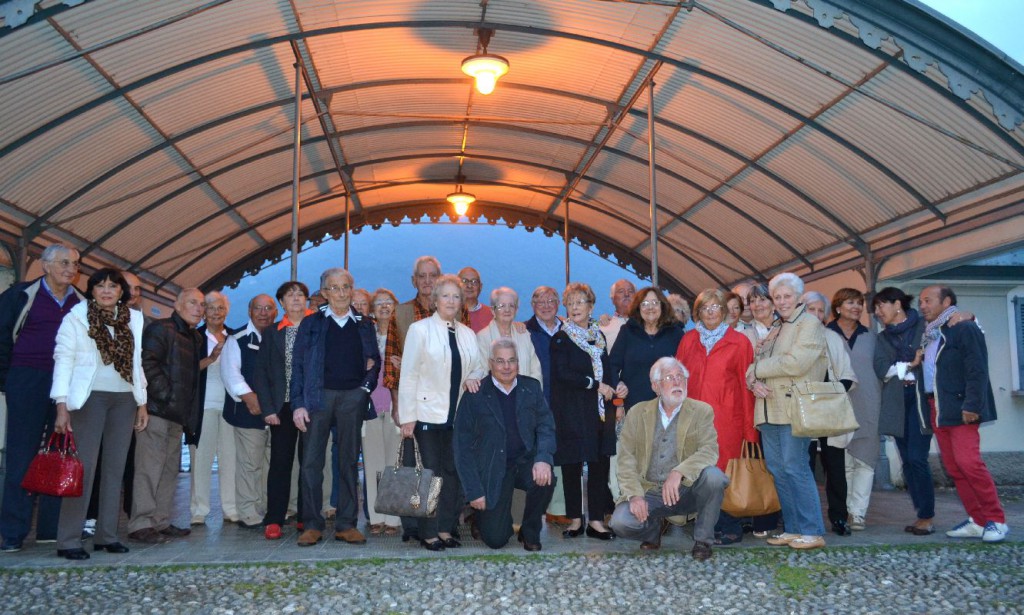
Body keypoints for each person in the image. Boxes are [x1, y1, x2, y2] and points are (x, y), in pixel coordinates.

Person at [50, 268, 148, 560]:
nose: (107, 291)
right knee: (84, 468)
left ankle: (107, 535)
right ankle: (68, 539)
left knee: (116, 468)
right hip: (89, 398)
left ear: (121, 292)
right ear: (91, 290)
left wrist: (142, 402)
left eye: (113, 286)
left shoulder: (134, 318)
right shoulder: (76, 317)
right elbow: (63, 359)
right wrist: (61, 404)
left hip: (124, 399)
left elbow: (137, 361)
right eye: (100, 286)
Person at [0, 244, 84, 552]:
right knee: (21, 455)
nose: (71, 269)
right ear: (45, 266)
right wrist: (9, 380)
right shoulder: (21, 296)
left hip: (66, 385)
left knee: (60, 453)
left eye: (75, 264)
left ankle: (51, 529)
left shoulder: (81, 303)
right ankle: (12, 533)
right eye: (64, 262)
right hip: (28, 379)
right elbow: (2, 336)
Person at [291, 269, 380, 547]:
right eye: (334, 288)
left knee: (349, 462)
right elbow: (298, 366)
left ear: (352, 290)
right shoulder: (311, 324)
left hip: (352, 399)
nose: (341, 293)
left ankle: (346, 524)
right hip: (318, 398)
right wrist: (298, 405)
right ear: (324, 293)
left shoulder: (365, 324)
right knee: (311, 463)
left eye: (345, 287)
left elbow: (374, 361)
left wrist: (364, 390)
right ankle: (312, 525)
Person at [398, 274, 485, 551]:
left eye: (456, 296)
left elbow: (480, 367)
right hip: (426, 415)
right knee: (429, 474)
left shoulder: (468, 334)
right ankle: (428, 532)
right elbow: (408, 375)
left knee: (452, 474)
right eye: (445, 295)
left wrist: (473, 377)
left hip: (457, 416)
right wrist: (407, 416)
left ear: (462, 302)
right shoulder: (419, 330)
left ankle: (446, 527)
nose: (451, 301)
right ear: (435, 300)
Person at [609, 357, 726, 561]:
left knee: (714, 477)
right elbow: (626, 459)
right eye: (669, 378)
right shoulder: (637, 413)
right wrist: (635, 495)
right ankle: (653, 529)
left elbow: (710, 450)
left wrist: (679, 472)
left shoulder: (701, 411)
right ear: (655, 386)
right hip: (650, 491)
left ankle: (703, 541)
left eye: (681, 377)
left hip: (688, 490)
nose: (677, 382)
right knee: (620, 522)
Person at [918, 286, 1008, 542]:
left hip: (961, 406)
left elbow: (977, 369)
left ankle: (997, 520)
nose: (922, 306)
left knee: (969, 463)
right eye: (920, 301)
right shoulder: (931, 333)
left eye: (928, 300)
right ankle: (978, 521)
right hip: (938, 406)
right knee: (954, 467)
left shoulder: (964, 327)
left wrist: (972, 406)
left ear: (946, 301)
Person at [745, 272, 828, 550]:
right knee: (778, 469)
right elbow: (754, 365)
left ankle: (812, 530)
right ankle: (793, 528)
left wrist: (758, 370)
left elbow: (797, 363)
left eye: (787, 296)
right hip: (769, 408)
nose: (781, 301)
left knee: (795, 467)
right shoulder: (778, 327)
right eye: (777, 297)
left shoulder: (809, 323)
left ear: (798, 297)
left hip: (794, 407)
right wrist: (754, 382)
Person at [454, 339, 556, 551]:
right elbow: (462, 447)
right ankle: (479, 517)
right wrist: (474, 491)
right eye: (500, 361)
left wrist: (543, 459)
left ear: (518, 363)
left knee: (546, 478)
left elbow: (546, 425)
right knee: (496, 540)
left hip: (524, 462)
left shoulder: (531, 387)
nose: (506, 366)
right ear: (490, 363)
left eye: (511, 360)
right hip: (492, 468)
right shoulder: (475, 394)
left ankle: (530, 531)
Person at [676, 288, 756, 545]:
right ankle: (706, 524)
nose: (710, 313)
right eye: (705, 308)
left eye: (716, 307)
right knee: (699, 471)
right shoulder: (688, 340)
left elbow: (746, 387)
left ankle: (729, 525)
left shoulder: (739, 342)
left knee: (724, 472)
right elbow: (677, 380)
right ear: (697, 313)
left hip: (727, 420)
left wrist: (749, 430)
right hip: (693, 421)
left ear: (724, 311)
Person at [129, 288, 205, 544]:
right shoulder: (161, 329)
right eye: (193, 303)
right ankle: (141, 523)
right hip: (157, 411)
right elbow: (146, 363)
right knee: (149, 469)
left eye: (201, 305)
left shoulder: (193, 337)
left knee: (169, 470)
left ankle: (160, 521)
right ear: (178, 304)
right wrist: (166, 395)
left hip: (177, 414)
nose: (198, 308)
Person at [550, 282, 625, 540]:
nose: (574, 307)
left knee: (598, 464)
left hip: (598, 412)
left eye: (580, 302)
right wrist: (595, 385)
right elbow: (562, 374)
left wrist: (616, 395)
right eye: (570, 303)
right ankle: (574, 520)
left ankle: (595, 521)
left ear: (591, 306)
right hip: (571, 411)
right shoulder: (561, 338)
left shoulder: (598, 335)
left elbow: (608, 370)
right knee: (572, 465)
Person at [252, 281, 311, 540]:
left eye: (300, 294)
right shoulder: (272, 332)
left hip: (311, 405)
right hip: (282, 406)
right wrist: (267, 408)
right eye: (290, 295)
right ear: (281, 303)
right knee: (280, 463)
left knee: (310, 463)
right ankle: (274, 518)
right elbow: (261, 373)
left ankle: (307, 515)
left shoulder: (317, 327)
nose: (296, 298)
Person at [802, 290, 857, 537]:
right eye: (810, 309)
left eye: (819, 310)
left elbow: (848, 374)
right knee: (803, 466)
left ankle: (839, 517)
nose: (815, 314)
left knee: (835, 467)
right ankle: (806, 518)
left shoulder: (833, 337)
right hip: (802, 410)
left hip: (829, 408)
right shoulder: (791, 336)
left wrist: (830, 392)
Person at [220, 294, 278, 529]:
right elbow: (230, 373)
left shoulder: (279, 335)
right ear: (249, 311)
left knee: (271, 464)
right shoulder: (237, 338)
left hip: (276, 412)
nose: (263, 313)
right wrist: (249, 397)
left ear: (276, 312)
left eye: (268, 308)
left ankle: (266, 507)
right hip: (248, 411)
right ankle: (248, 512)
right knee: (249, 464)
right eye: (258, 308)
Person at [827, 288, 881, 531]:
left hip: (868, 405)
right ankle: (846, 510)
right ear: (838, 307)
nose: (857, 307)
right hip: (836, 407)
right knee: (843, 463)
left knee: (865, 461)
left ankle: (858, 513)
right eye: (851, 302)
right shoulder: (825, 334)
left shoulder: (871, 337)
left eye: (859, 303)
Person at [524, 286, 570, 526]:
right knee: (535, 453)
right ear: (532, 305)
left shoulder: (569, 329)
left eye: (551, 301)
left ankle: (557, 509)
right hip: (538, 402)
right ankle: (528, 512)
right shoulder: (524, 331)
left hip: (566, 402)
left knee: (562, 453)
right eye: (540, 302)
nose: (546, 306)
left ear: (558, 303)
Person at [189, 292, 235, 526]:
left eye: (220, 308)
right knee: (201, 459)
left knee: (230, 459)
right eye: (211, 308)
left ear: (226, 311)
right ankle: (199, 510)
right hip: (203, 407)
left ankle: (231, 508)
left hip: (230, 408)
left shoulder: (235, 337)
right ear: (203, 311)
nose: (216, 312)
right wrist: (211, 357)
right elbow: (185, 370)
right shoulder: (193, 337)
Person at [362, 288, 402, 537]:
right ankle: (376, 516)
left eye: (389, 302)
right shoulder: (366, 336)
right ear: (371, 310)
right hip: (369, 407)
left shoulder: (404, 335)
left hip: (397, 405)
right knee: (373, 463)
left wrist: (404, 362)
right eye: (379, 303)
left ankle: (394, 517)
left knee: (394, 464)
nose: (384, 306)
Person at [477, 287, 541, 381]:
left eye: (511, 306)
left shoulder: (524, 334)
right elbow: (482, 373)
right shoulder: (482, 337)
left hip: (526, 389)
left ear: (516, 310)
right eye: (502, 306)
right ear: (493, 310)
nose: (507, 310)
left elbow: (536, 370)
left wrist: (531, 389)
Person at [395, 256, 441, 343]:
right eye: (422, 276)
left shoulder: (457, 312)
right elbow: (391, 351)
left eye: (432, 276)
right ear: (414, 281)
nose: (427, 281)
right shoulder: (399, 314)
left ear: (440, 279)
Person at [599, 279, 636, 350]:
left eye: (631, 291)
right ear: (612, 299)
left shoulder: (645, 325)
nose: (626, 294)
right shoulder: (603, 327)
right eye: (621, 291)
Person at [458, 267, 494, 332]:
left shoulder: (492, 315)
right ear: (456, 285)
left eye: (474, 281)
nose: (469, 286)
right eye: (464, 281)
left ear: (480, 287)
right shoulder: (448, 313)